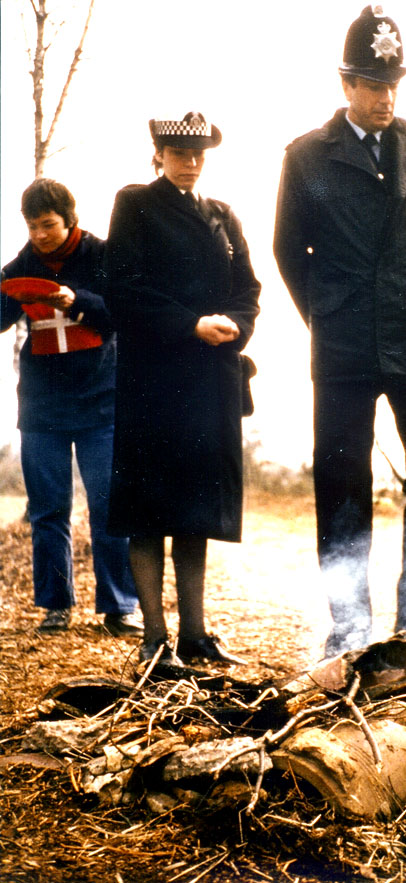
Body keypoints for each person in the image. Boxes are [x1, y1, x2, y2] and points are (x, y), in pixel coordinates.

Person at [273, 6, 406, 664]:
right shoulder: (307, 157)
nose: (386, 97)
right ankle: (349, 626)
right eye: (373, 85)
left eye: (393, 84)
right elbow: (288, 251)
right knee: (342, 481)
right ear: (346, 84)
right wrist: (329, 316)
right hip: (344, 347)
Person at [103, 111, 261, 666]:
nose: (190, 163)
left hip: (210, 380)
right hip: (153, 380)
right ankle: (154, 639)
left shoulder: (222, 215)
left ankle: (194, 634)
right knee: (147, 510)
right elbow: (122, 289)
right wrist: (190, 324)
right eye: (178, 154)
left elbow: (249, 287)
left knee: (196, 510)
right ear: (159, 155)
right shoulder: (136, 204)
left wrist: (236, 325)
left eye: (198, 154)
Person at [1, 178, 141, 636]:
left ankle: (119, 607)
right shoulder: (19, 267)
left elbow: (124, 313)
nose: (40, 235)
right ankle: (55, 606)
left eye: (48, 224)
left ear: (70, 219)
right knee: (48, 510)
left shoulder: (102, 255)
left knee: (108, 505)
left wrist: (76, 300)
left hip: (101, 399)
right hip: (42, 406)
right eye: (32, 226)